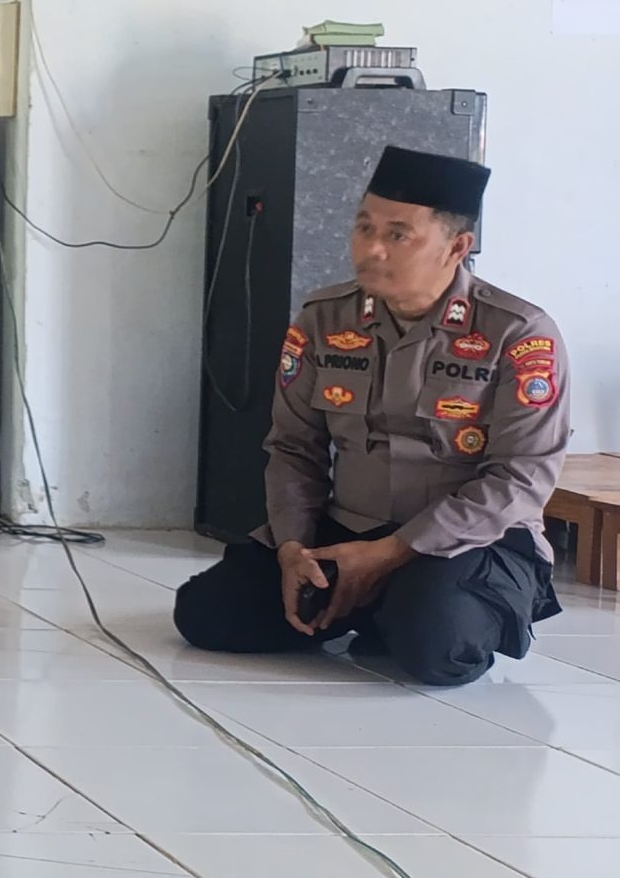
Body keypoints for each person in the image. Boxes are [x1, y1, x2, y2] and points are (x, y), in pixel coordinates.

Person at [174, 146, 565, 687]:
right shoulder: (323, 320)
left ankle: (400, 607)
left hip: (466, 541)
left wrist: (392, 553)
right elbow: (294, 448)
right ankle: (374, 606)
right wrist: (292, 547)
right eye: (364, 228)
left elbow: (522, 476)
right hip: (349, 528)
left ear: (457, 247)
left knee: (439, 649)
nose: (372, 248)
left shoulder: (517, 334)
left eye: (398, 234)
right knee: (208, 613)